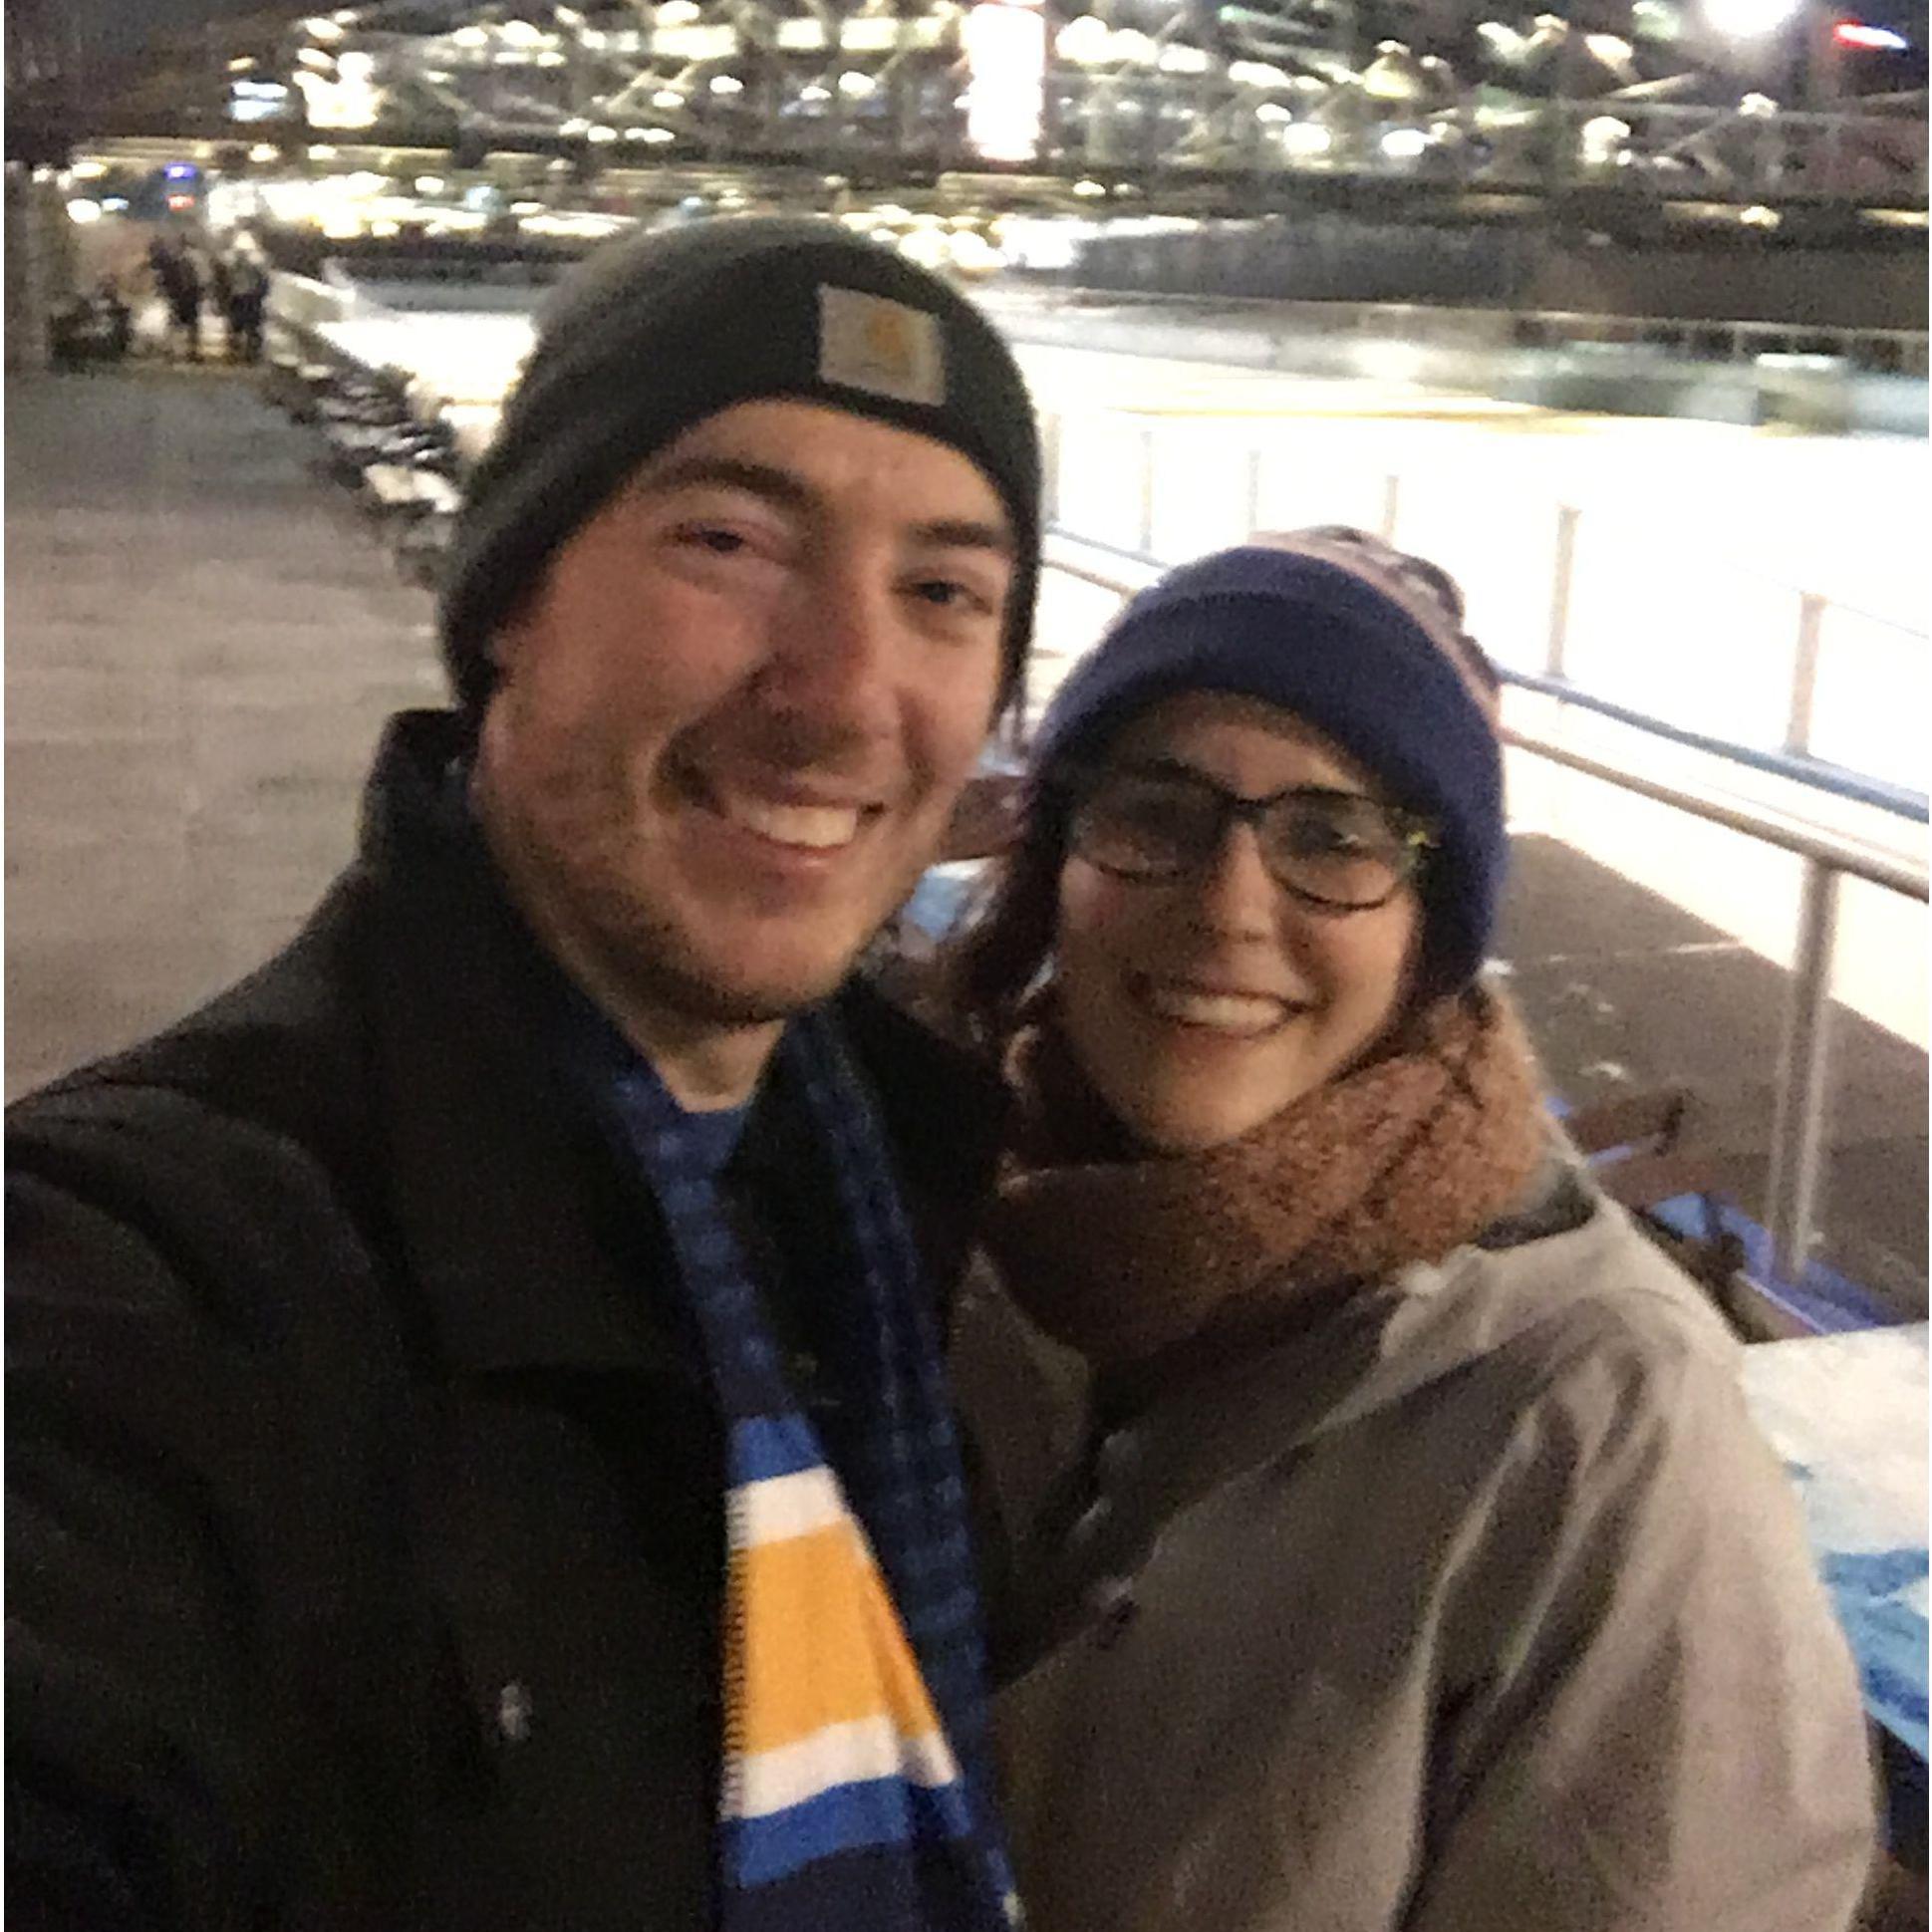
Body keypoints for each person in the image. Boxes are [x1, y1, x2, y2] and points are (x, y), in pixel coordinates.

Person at [8, 217, 1042, 1930]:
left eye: (944, 591)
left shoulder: (897, 1209)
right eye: (729, 538)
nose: (844, 689)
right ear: (511, 610)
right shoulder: (163, 1281)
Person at [948, 529, 1878, 1931]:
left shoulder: (1600, 1423)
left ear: (1429, 934)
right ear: (1056, 860)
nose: (1229, 906)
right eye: (1158, 811)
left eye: (1334, 838)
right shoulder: (933, 1243)